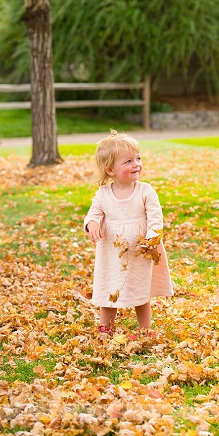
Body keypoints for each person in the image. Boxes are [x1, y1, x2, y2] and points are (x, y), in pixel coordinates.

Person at [83, 131, 173, 335]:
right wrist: (92, 224)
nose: (136, 164)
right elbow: (93, 214)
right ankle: (106, 328)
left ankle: (144, 329)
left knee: (140, 289)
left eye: (138, 159)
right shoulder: (103, 193)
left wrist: (151, 238)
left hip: (139, 250)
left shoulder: (145, 191)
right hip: (112, 253)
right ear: (110, 170)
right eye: (128, 161)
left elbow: (155, 220)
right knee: (109, 288)